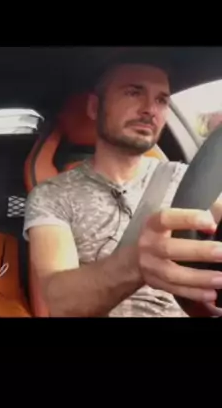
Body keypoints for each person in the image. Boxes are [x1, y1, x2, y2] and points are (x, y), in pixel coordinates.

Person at [24, 58, 222, 317]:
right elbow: (60, 303)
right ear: (95, 107)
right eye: (133, 92)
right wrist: (134, 263)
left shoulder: (187, 180)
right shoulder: (51, 194)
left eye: (161, 100)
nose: (150, 109)